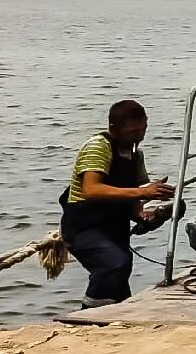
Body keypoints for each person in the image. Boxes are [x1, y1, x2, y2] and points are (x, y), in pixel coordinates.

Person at [59, 99, 173, 306]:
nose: (138, 136)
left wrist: (143, 212)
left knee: (120, 275)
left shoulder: (135, 155)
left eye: (142, 130)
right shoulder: (98, 147)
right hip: (84, 226)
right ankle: (88, 312)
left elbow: (133, 195)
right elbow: (91, 189)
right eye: (132, 132)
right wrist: (144, 191)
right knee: (114, 263)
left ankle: (116, 311)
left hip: (114, 224)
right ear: (113, 128)